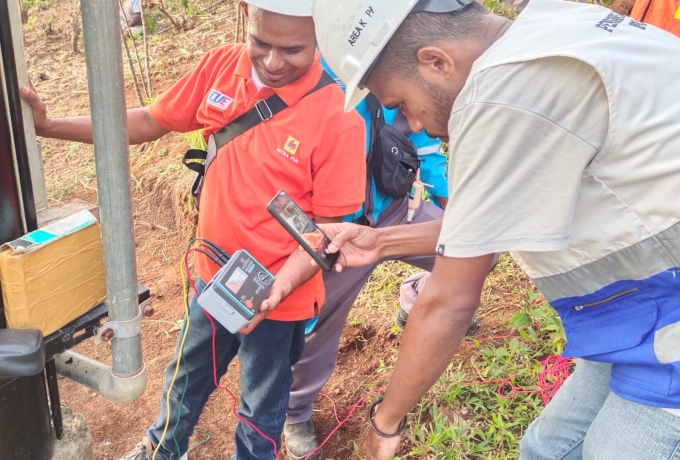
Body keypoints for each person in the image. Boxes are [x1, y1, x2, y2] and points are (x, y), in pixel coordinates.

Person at [311, 0, 680, 459]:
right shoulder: (555, 24)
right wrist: (382, 240)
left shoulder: (499, 95)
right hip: (642, 312)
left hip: (669, 322)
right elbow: (477, 232)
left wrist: (384, 426)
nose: (415, 125)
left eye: (403, 104)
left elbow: (449, 300)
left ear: (436, 60)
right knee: (546, 449)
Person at [21, 1, 367, 459]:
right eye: (261, 42)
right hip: (214, 276)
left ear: (322, 31)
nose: (273, 60)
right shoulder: (221, 66)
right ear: (246, 12)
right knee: (185, 378)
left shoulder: (339, 117)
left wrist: (276, 291)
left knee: (261, 408)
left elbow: (329, 233)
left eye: (293, 49)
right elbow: (148, 120)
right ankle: (162, 449)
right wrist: (49, 126)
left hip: (281, 301)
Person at [282, 59, 487, 459]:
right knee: (317, 323)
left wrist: (456, 216)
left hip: (394, 210)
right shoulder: (311, 74)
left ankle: (417, 297)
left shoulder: (397, 66)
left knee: (475, 253)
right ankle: (295, 411)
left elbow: (426, 148)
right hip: (337, 229)